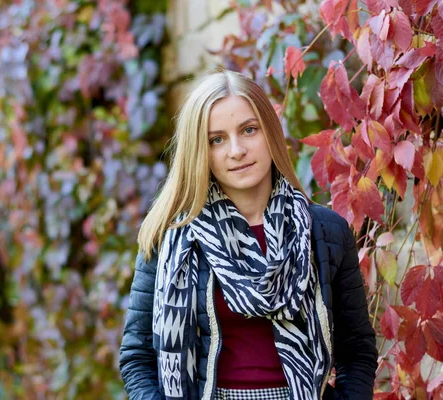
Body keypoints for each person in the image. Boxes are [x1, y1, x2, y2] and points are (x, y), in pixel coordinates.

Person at [118, 69, 377, 400]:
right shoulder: (169, 238)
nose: (236, 150)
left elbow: (357, 351)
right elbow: (137, 359)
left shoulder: (324, 232)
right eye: (217, 139)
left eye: (249, 130)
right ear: (201, 150)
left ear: (270, 132)